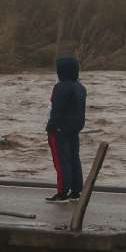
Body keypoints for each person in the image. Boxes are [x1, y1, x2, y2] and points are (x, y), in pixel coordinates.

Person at [46, 56, 87, 203]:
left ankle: (62, 192)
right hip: (75, 128)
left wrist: (51, 126)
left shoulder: (61, 87)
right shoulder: (81, 87)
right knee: (74, 158)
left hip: (59, 129)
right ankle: (76, 191)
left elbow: (56, 110)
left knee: (61, 160)